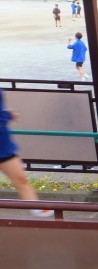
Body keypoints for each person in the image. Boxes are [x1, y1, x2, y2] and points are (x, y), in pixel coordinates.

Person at [0, 88, 53, 217]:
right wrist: (7, 115)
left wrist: (5, 114)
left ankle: (36, 210)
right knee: (20, 179)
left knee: (21, 179)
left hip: (3, 145)